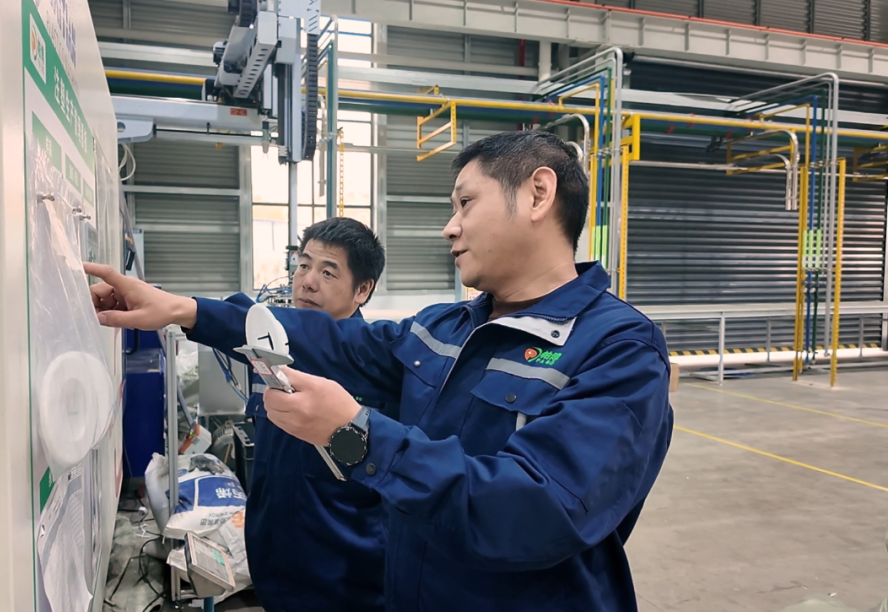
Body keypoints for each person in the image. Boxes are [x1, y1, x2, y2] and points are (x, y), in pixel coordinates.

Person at [86, 130, 674, 612]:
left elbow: (537, 509)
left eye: (466, 203)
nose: (450, 226)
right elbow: (335, 341)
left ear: (538, 194)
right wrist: (185, 310)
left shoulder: (618, 347)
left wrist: (356, 435)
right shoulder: (444, 328)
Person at [192, 216, 393, 612]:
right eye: (303, 265)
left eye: (328, 272)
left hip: (344, 572)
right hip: (274, 557)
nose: (307, 282)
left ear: (362, 289)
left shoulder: (375, 366)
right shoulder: (273, 353)